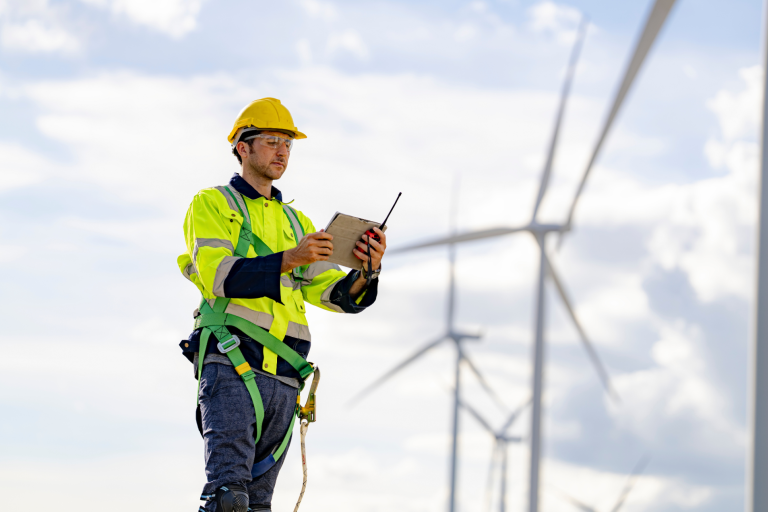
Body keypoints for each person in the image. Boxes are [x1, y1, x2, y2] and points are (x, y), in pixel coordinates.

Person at [177, 97, 386, 512]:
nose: (282, 152)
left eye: (288, 144)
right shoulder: (213, 204)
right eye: (272, 142)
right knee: (228, 500)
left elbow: (334, 294)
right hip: (233, 363)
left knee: (257, 507)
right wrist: (291, 258)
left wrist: (368, 271)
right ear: (243, 146)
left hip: (286, 379)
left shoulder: (298, 224)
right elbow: (220, 276)